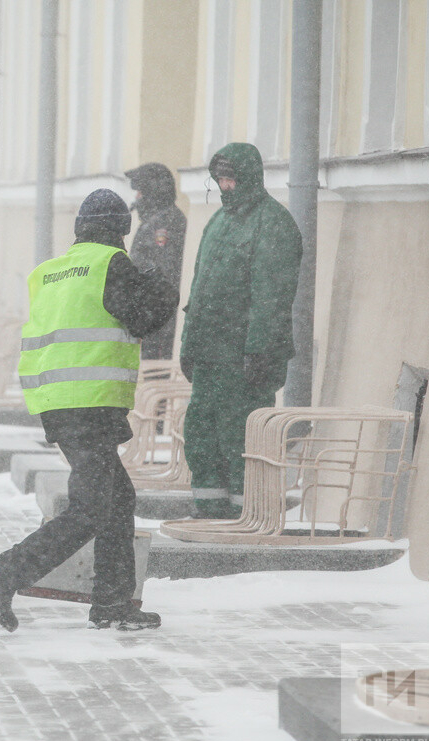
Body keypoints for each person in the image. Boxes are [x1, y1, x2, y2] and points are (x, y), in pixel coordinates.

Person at [0, 189, 179, 632]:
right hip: (91, 402)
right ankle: (4, 572)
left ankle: (113, 603)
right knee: (89, 509)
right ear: (120, 230)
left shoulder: (50, 271)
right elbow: (145, 317)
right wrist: (162, 283)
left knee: (117, 499)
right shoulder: (111, 265)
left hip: (59, 402)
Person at [178, 142, 302, 519]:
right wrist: (188, 343)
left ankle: (245, 511)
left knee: (240, 437)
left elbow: (272, 295)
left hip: (244, 358)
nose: (225, 187)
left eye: (230, 179)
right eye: (220, 180)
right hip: (210, 356)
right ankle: (210, 507)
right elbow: (199, 288)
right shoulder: (219, 222)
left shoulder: (273, 222)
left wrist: (260, 350)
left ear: (249, 177)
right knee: (201, 433)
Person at [124, 163, 187, 361]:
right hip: (148, 313)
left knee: (154, 372)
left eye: (140, 192)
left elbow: (161, 272)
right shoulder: (156, 221)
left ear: (153, 193)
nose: (136, 198)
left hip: (156, 316)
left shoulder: (165, 223)